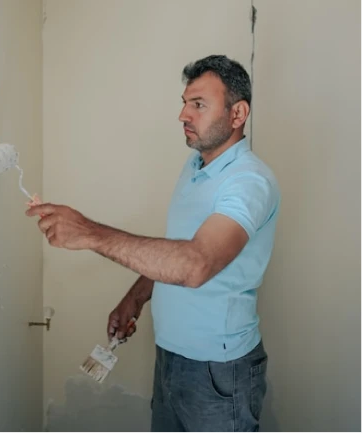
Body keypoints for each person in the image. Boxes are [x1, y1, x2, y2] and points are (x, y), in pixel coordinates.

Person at [26, 54, 281, 433]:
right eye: (185, 102)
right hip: (170, 356)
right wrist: (136, 297)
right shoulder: (195, 167)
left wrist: (89, 232)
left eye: (198, 104)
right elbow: (177, 247)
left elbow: (195, 263)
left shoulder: (248, 182)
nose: (183, 115)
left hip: (219, 372)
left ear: (237, 113)